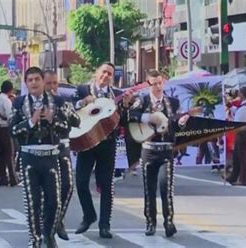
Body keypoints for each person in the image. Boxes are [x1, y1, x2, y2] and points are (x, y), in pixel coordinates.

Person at [72, 62, 132, 239]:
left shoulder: (117, 95)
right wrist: (83, 102)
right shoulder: (83, 90)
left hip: (108, 144)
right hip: (87, 142)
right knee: (81, 181)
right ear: (96, 73)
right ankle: (89, 215)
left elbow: (124, 121)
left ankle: (104, 225)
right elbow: (70, 109)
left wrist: (126, 106)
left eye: (110, 74)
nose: (106, 76)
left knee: (106, 185)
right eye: (103, 72)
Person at [11, 67, 69, 248]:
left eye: (37, 79)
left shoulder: (57, 101)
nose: (34, 83)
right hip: (29, 157)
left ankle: (49, 234)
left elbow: (67, 127)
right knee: (33, 201)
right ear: (26, 83)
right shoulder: (19, 103)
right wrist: (30, 122)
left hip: (51, 155)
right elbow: (12, 130)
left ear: (43, 81)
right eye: (30, 80)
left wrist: (53, 119)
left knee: (54, 201)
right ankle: (35, 239)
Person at [128, 69, 189, 237]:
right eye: (154, 84)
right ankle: (150, 223)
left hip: (166, 151)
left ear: (164, 83)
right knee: (149, 189)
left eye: (160, 83)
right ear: (149, 84)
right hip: (148, 151)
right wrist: (147, 118)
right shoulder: (142, 100)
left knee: (166, 188)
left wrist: (182, 123)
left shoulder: (173, 102)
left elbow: (175, 127)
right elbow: (131, 116)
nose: (157, 87)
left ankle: (169, 222)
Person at [43, 70, 80, 240]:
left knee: (67, 185)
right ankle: (47, 225)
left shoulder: (63, 101)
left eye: (55, 83)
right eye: (48, 83)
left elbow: (76, 121)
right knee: (49, 191)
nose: (52, 87)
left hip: (63, 147)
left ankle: (58, 220)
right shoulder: (37, 103)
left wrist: (64, 109)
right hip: (45, 150)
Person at [224, 86, 246, 186]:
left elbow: (237, 121)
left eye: (239, 93)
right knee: (236, 157)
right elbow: (238, 112)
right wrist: (230, 106)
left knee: (242, 157)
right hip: (245, 132)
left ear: (242, 94)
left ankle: (242, 180)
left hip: (242, 133)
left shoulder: (245, 107)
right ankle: (233, 177)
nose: (238, 94)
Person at [0, 80, 19, 186]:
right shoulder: (6, 100)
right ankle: (13, 178)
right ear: (10, 90)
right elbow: (10, 115)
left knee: (1, 155)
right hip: (5, 128)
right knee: (9, 153)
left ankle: (2, 178)